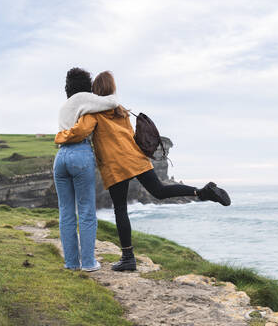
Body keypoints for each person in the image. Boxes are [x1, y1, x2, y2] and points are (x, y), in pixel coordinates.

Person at [55, 71, 231, 272]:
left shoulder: (93, 113)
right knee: (160, 190)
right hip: (135, 158)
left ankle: (128, 258)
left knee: (120, 209)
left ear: (95, 91)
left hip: (116, 165)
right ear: (112, 89)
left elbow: (80, 131)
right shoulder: (121, 111)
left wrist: (60, 136)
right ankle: (202, 192)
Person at [53, 67, 120, 272]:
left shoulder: (64, 106)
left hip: (61, 157)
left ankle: (71, 263)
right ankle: (89, 263)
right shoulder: (83, 98)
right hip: (80, 154)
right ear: (86, 85)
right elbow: (112, 102)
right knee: (86, 211)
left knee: (66, 212)